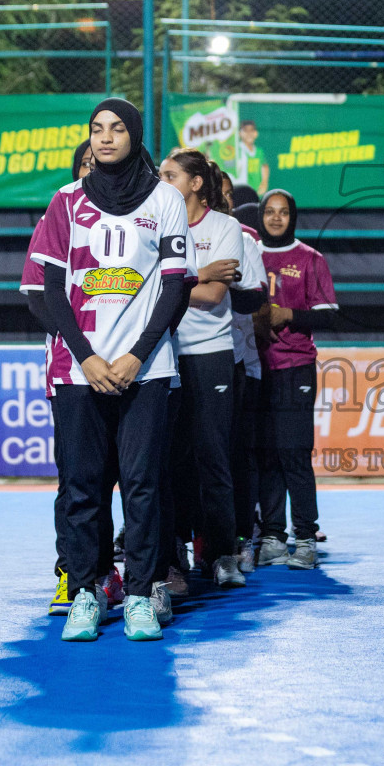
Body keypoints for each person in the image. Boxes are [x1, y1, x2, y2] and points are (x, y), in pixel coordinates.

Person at [29, 97, 188, 642]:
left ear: (135, 135)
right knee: (82, 488)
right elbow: (49, 289)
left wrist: (137, 354)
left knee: (142, 485)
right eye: (96, 129)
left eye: (117, 129)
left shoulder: (166, 199)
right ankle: (86, 594)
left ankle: (141, 595)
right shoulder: (65, 201)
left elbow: (175, 287)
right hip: (80, 370)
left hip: (144, 368)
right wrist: (88, 357)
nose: (105, 138)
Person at [159, 149, 246, 587]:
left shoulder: (226, 227)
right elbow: (140, 283)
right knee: (170, 462)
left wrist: (173, 282)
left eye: (170, 175)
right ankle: (173, 557)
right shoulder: (154, 223)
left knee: (214, 458)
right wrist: (199, 274)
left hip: (211, 353)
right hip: (164, 355)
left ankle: (222, 554)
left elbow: (214, 297)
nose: (161, 181)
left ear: (195, 183)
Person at [255, 188, 337, 570]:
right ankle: (272, 535)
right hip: (256, 368)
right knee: (266, 454)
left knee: (294, 453)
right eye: (269, 212)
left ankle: (305, 535)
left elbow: (327, 314)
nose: (275, 218)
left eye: (282, 212)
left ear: (293, 216)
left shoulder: (310, 259)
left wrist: (287, 315)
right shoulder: (248, 252)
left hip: (295, 368)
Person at [228, 201, 268, 574]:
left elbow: (256, 301)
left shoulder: (242, 240)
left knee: (237, 454)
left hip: (239, 363)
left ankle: (240, 536)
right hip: (177, 364)